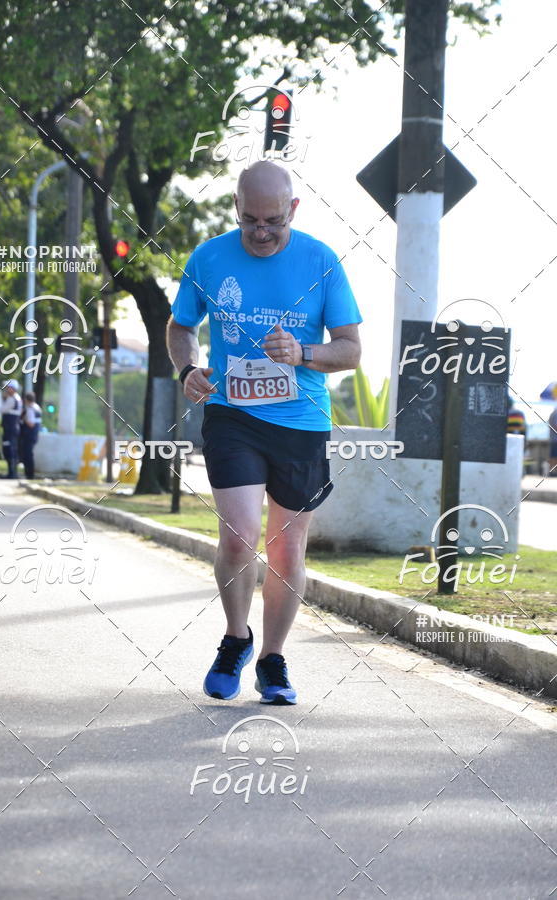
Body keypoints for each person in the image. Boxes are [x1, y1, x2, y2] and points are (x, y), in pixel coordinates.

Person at [167, 161, 362, 705]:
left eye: (272, 220)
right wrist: (188, 369)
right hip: (232, 413)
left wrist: (303, 353)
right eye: (250, 219)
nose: (260, 231)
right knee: (237, 534)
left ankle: (273, 660)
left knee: (285, 546)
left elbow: (350, 348)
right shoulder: (208, 257)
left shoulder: (321, 261)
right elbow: (181, 326)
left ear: (292, 210)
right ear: (236, 207)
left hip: (300, 421)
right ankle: (236, 638)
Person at [0, 379, 23, 479]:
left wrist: (4, 398)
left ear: (12, 389)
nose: (6, 390)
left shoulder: (11, 399)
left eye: (8, 388)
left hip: (10, 429)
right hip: (12, 428)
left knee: (9, 449)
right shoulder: (17, 398)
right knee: (11, 449)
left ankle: (12, 473)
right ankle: (12, 472)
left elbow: (2, 409)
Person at [20, 391, 42, 478]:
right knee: (29, 453)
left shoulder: (30, 409)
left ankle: (29, 474)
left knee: (27, 454)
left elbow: (31, 423)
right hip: (35, 434)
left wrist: (24, 419)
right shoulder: (37, 407)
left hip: (29, 434)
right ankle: (30, 474)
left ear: (26, 400)